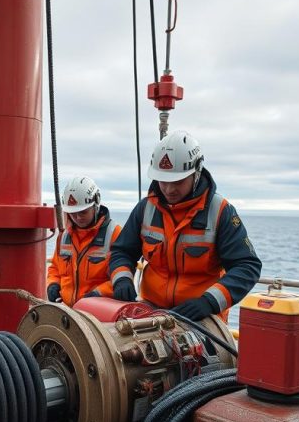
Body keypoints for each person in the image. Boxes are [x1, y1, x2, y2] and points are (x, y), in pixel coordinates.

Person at [107, 130, 261, 320]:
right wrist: (122, 279)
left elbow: (247, 266)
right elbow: (122, 251)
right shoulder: (145, 208)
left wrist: (208, 301)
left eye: (178, 181)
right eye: (163, 181)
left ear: (196, 173)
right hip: (151, 311)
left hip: (201, 317)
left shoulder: (220, 211)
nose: (169, 189)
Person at [46, 176, 122, 305]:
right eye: (73, 213)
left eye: (83, 212)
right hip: (70, 312)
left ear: (96, 205)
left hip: (100, 310)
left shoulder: (115, 233)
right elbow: (55, 268)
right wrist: (53, 283)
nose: (77, 217)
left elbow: (122, 275)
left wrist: (99, 293)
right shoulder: (64, 237)